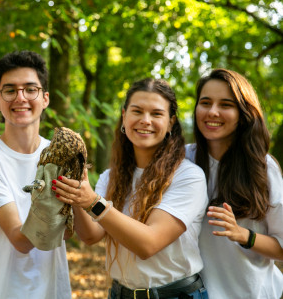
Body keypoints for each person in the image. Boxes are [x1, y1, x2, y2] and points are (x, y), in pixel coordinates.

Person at [53, 78, 209, 298]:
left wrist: (91, 201)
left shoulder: (188, 176)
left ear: (171, 122)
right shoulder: (111, 176)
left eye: (156, 114)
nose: (145, 120)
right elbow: (91, 236)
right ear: (124, 117)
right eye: (137, 111)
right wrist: (77, 195)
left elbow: (148, 243)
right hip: (120, 294)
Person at [0, 50, 71, 299]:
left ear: (45, 98)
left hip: (52, 291)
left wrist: (81, 195)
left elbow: (81, 234)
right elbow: (21, 240)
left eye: (30, 89)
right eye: (10, 90)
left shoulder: (60, 154)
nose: (20, 97)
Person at [186, 68, 283, 298]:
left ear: (243, 113)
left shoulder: (264, 167)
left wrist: (243, 235)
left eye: (226, 105)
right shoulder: (182, 161)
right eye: (205, 102)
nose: (213, 112)